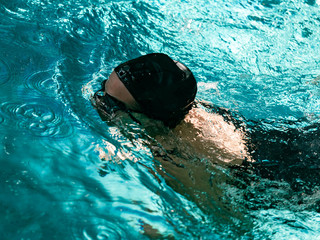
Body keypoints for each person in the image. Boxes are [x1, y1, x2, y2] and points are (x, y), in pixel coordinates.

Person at [92, 53, 320, 192]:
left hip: (299, 179)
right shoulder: (186, 107)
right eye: (102, 87)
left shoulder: (176, 160)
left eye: (112, 105)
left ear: (149, 118)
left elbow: (232, 227)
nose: (96, 99)